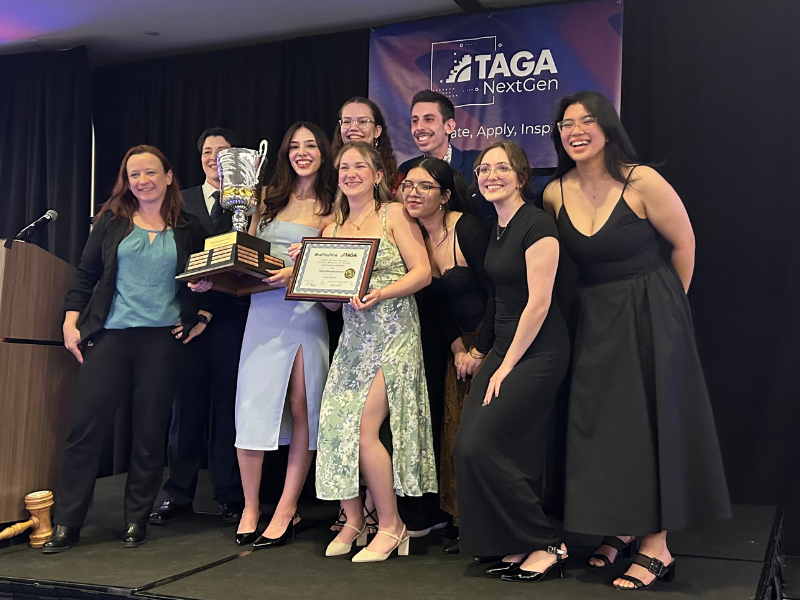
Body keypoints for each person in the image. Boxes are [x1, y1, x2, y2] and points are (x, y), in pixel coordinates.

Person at [543, 90, 731, 590]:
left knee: (649, 424)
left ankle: (657, 545)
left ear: (606, 129)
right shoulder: (554, 192)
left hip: (649, 311)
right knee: (605, 428)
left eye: (586, 121)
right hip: (593, 319)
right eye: (566, 124)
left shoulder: (641, 180)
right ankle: (621, 527)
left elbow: (684, 243)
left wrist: (669, 312)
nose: (576, 130)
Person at [43, 146, 210, 553]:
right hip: (111, 335)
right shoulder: (111, 222)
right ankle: (67, 522)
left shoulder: (190, 227)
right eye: (134, 174)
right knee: (85, 430)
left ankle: (136, 519)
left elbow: (209, 279)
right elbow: (86, 275)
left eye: (150, 172)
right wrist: (70, 321)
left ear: (169, 176)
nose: (142, 181)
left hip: (161, 342)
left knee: (150, 434)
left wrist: (200, 315)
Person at [311, 141, 437, 562]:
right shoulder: (331, 230)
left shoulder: (394, 214)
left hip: (394, 332)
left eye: (359, 166)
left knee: (365, 429)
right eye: (344, 166)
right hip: (353, 339)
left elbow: (422, 273)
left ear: (378, 174)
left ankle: (391, 524)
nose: (350, 173)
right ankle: (353, 520)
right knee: (332, 421)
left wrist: (381, 292)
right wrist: (306, 271)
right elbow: (330, 301)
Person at [454, 141, 570, 583]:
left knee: (478, 446)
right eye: (484, 169)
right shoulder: (497, 227)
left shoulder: (536, 224)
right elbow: (498, 298)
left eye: (502, 168)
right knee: (477, 449)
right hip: (506, 347)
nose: (491, 175)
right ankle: (515, 541)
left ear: (521, 177)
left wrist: (505, 365)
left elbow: (538, 305)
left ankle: (547, 542)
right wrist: (485, 352)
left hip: (538, 350)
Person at [232, 122, 336, 549]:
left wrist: (298, 271)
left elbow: (332, 265)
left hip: (305, 315)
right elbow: (244, 252)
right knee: (252, 408)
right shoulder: (263, 201)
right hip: (261, 313)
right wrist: (213, 277)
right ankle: (251, 506)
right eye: (294, 146)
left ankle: (287, 506)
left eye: (311, 144)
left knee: (301, 408)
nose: (302, 152)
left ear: (324, 152)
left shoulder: (333, 206)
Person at [150, 127, 246, 527]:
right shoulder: (180, 201)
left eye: (222, 151)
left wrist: (214, 303)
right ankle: (179, 493)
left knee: (228, 409)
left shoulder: (249, 203)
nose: (214, 157)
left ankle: (228, 494)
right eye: (207, 151)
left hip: (232, 317)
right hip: (186, 319)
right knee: (185, 409)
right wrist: (193, 310)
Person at [400, 158, 493, 555]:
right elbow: (435, 308)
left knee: (483, 435)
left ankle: (493, 524)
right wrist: (458, 348)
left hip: (494, 339)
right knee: (453, 434)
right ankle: (463, 522)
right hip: (459, 346)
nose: (413, 193)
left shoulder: (467, 229)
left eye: (424, 187)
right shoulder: (414, 235)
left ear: (445, 196)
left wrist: (479, 349)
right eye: (408, 185)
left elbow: (500, 293)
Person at [398, 91, 490, 223]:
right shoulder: (406, 169)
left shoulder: (476, 164)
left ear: (449, 126)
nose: (419, 127)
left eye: (428, 119)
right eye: (414, 121)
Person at [332, 96, 401, 193]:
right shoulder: (327, 176)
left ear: (377, 131)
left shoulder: (397, 181)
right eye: (347, 121)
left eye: (363, 121)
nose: (353, 128)